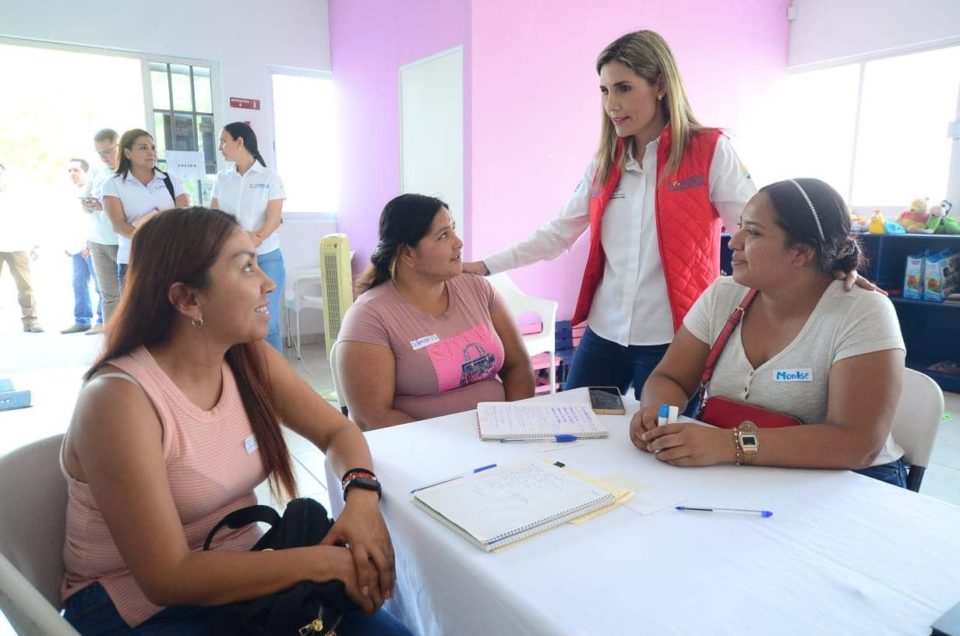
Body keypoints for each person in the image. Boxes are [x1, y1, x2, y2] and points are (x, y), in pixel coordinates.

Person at [60, 208, 411, 635]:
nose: (268, 282)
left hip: (252, 569)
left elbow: (337, 430)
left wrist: (360, 497)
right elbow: (167, 578)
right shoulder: (118, 401)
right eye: (246, 267)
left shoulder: (245, 357)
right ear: (188, 299)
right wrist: (323, 562)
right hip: (138, 608)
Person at [462, 30, 758, 399]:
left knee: (659, 444)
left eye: (623, 88)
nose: (611, 104)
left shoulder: (709, 151)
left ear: (660, 86)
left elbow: (756, 230)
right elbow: (557, 235)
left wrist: (823, 273)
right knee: (574, 427)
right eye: (604, 91)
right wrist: (485, 266)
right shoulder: (605, 163)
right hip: (604, 335)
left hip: (674, 338)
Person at [630, 178, 908, 487]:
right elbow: (670, 379)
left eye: (753, 232)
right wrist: (657, 415)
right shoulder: (723, 295)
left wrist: (729, 444)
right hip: (747, 473)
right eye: (740, 226)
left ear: (801, 252)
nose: (733, 241)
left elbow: (857, 444)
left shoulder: (862, 313)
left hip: (851, 483)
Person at [337, 194, 534, 429]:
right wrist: (459, 445)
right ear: (408, 254)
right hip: (423, 451)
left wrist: (512, 425)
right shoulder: (369, 317)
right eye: (443, 235)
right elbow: (373, 417)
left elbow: (518, 366)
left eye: (453, 229)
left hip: (499, 436)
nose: (458, 242)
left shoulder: (477, 287)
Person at [211, 122, 286, 352]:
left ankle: (274, 379)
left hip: (266, 258)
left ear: (240, 142)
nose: (220, 146)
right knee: (240, 321)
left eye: (224, 141)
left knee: (268, 322)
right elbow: (214, 217)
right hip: (232, 261)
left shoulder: (270, 177)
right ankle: (249, 376)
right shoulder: (223, 179)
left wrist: (255, 239)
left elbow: (274, 219)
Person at [102, 128, 190, 290]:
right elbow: (119, 225)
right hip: (134, 262)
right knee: (138, 314)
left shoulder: (171, 180)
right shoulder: (113, 184)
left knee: (173, 313)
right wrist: (152, 240)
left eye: (153, 148)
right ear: (127, 153)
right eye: (143, 148)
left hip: (170, 260)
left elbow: (183, 217)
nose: (151, 152)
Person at [80, 128, 122, 333]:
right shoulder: (96, 171)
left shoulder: (130, 170)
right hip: (98, 241)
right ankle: (112, 341)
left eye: (107, 151)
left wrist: (104, 206)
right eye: (99, 153)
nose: (104, 157)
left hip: (123, 241)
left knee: (131, 294)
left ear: (119, 146)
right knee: (108, 295)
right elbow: (84, 199)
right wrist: (88, 205)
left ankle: (131, 340)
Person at [0, 161, 44, 332]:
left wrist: (36, 244)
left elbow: (30, 218)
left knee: (25, 285)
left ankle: (31, 320)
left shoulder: (17, 194)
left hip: (18, 245)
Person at [62, 158, 102, 334]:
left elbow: (94, 220)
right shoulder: (68, 194)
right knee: (78, 284)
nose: (72, 174)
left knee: (100, 286)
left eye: (76, 170)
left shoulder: (92, 191)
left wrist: (89, 243)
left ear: (85, 172)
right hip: (76, 247)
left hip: (92, 245)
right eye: (69, 171)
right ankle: (82, 320)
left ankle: (102, 321)